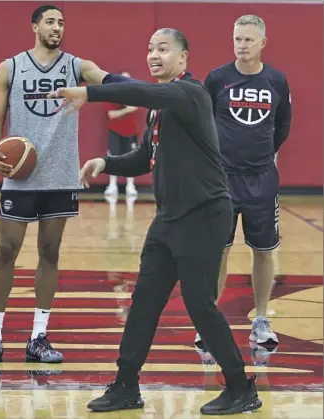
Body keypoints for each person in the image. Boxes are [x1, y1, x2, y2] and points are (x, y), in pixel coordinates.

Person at [48, 28, 262, 415]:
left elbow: (143, 92)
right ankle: (126, 385)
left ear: (183, 58)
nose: (154, 55)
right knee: (144, 301)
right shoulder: (160, 108)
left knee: (200, 304)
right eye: (149, 49)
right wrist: (106, 162)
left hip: (204, 216)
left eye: (163, 49)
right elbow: (144, 157)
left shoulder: (189, 94)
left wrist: (91, 92)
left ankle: (240, 387)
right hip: (168, 220)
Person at [0, 4, 109, 365]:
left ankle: (38, 336)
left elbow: (106, 79)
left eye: (61, 22)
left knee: (50, 251)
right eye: (50, 21)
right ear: (35, 27)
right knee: (7, 249)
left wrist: (149, 88)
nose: (57, 27)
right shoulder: (11, 67)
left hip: (61, 175)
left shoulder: (75, 66)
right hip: (22, 177)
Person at [194, 15, 291, 357]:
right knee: (218, 249)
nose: (242, 45)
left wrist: (260, 156)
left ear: (263, 42)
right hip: (221, 180)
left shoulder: (277, 81)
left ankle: (261, 319)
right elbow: (203, 124)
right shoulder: (217, 79)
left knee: (263, 250)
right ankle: (209, 321)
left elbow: (281, 128)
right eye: (237, 38)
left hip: (262, 180)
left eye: (249, 39)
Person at [104, 71, 139, 197]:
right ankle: (112, 186)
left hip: (131, 131)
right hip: (115, 130)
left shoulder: (134, 96)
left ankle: (131, 186)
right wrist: (128, 109)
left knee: (132, 158)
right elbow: (111, 115)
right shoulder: (112, 96)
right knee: (113, 158)